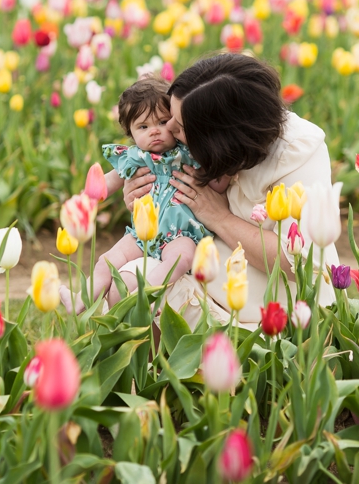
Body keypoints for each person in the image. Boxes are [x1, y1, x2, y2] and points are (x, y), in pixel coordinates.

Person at [116, 53, 340, 329]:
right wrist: (144, 197)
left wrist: (219, 217)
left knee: (143, 291)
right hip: (199, 263)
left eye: (180, 126)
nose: (169, 129)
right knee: (123, 280)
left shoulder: (298, 152)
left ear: (219, 139)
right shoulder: (198, 131)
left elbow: (302, 262)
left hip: (264, 305)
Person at [85, 76, 211, 306]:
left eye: (162, 122)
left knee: (181, 257)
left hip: (180, 233)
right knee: (106, 260)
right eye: (143, 127)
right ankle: (81, 300)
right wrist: (85, 200)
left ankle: (144, 293)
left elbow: (214, 178)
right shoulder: (135, 157)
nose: (154, 131)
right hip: (142, 234)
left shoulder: (187, 153)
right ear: (131, 133)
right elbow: (108, 181)